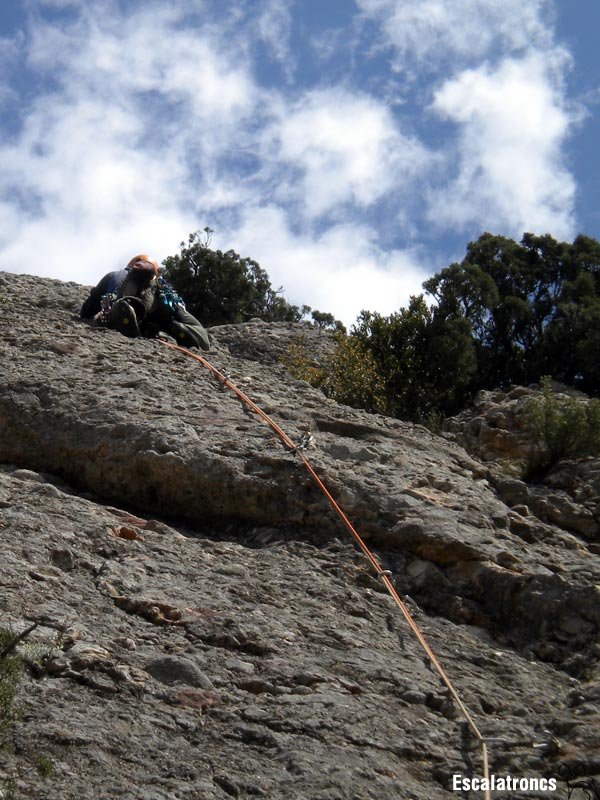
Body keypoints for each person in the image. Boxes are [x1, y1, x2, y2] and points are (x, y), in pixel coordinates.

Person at [80, 254, 211, 350]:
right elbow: (179, 308)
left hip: (130, 308)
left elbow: (88, 308)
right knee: (202, 337)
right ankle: (177, 329)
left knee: (123, 305)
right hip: (160, 314)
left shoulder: (117, 275)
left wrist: (93, 316)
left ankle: (126, 314)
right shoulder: (164, 286)